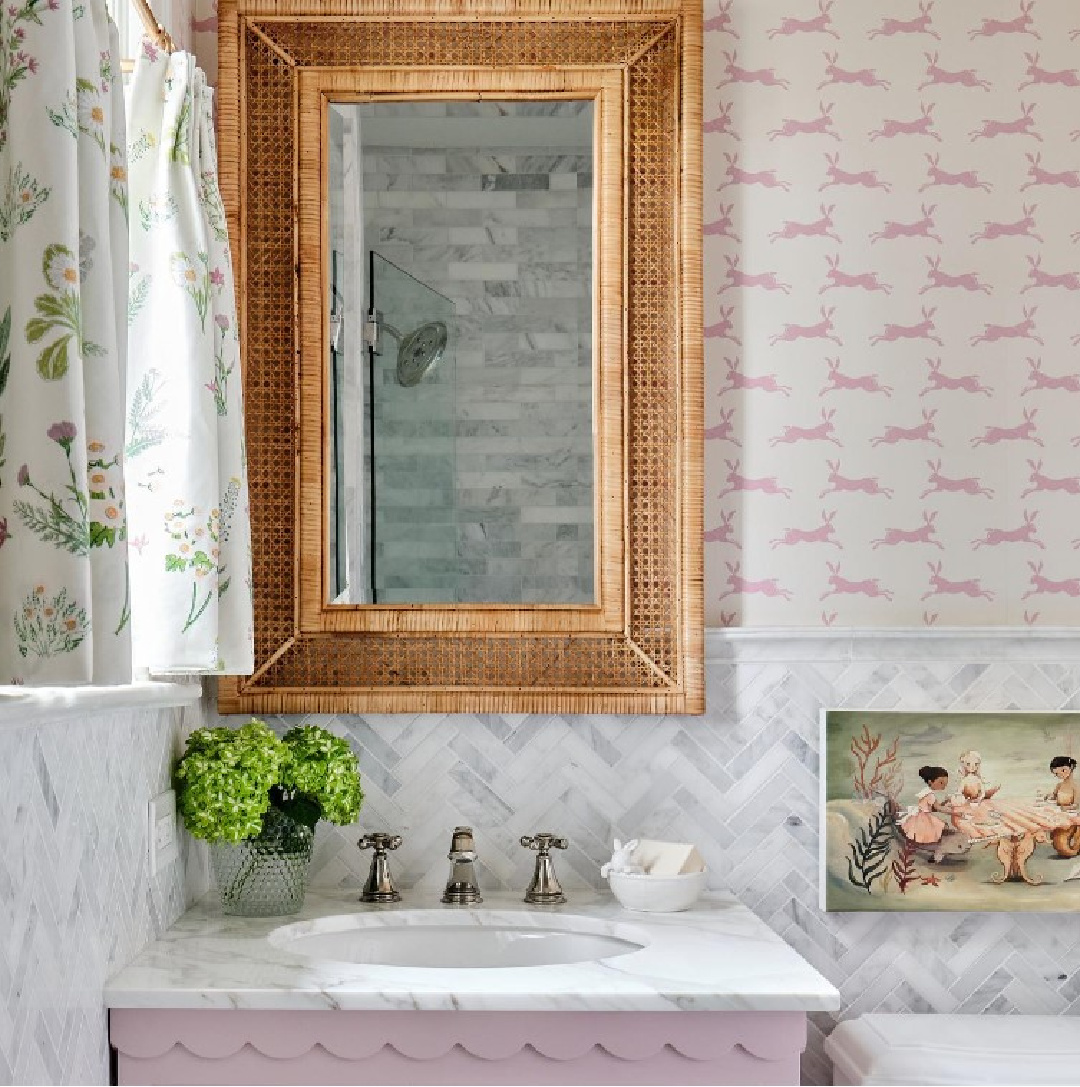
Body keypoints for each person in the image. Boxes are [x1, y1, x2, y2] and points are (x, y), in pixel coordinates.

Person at [901, 765, 954, 844]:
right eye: (941, 783)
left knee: (939, 826)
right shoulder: (929, 794)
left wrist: (945, 802)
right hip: (923, 818)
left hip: (921, 815)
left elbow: (933, 807)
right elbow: (938, 808)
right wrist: (953, 812)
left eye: (945, 784)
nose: (943, 786)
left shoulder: (926, 792)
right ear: (930, 781)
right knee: (941, 827)